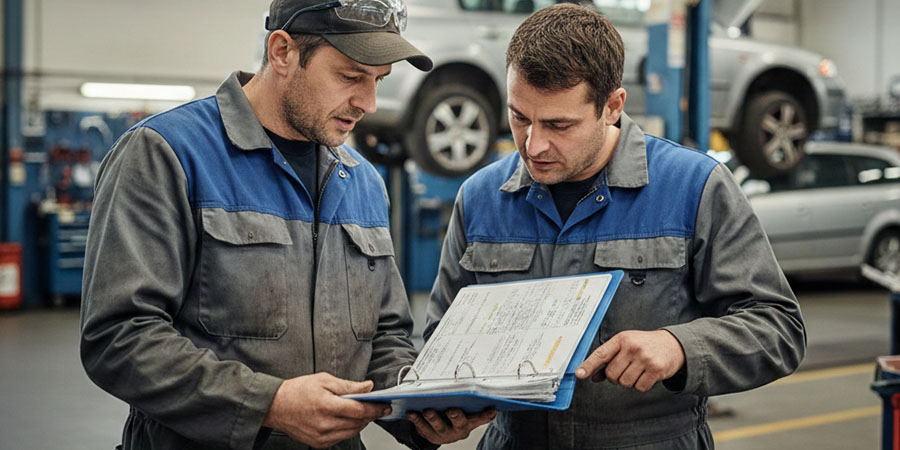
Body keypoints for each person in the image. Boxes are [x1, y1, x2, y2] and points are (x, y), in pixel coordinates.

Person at [79, 0, 494, 448]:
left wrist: (419, 408)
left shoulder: (362, 181)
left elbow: (383, 337)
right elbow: (119, 336)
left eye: (378, 80)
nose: (369, 103)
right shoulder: (166, 154)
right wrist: (268, 404)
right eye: (351, 76)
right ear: (282, 52)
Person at [424, 4, 806, 449]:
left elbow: (778, 328)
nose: (534, 145)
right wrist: (442, 406)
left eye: (559, 124)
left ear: (612, 106)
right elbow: (441, 340)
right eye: (520, 117)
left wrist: (679, 347)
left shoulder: (694, 187)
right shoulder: (481, 197)